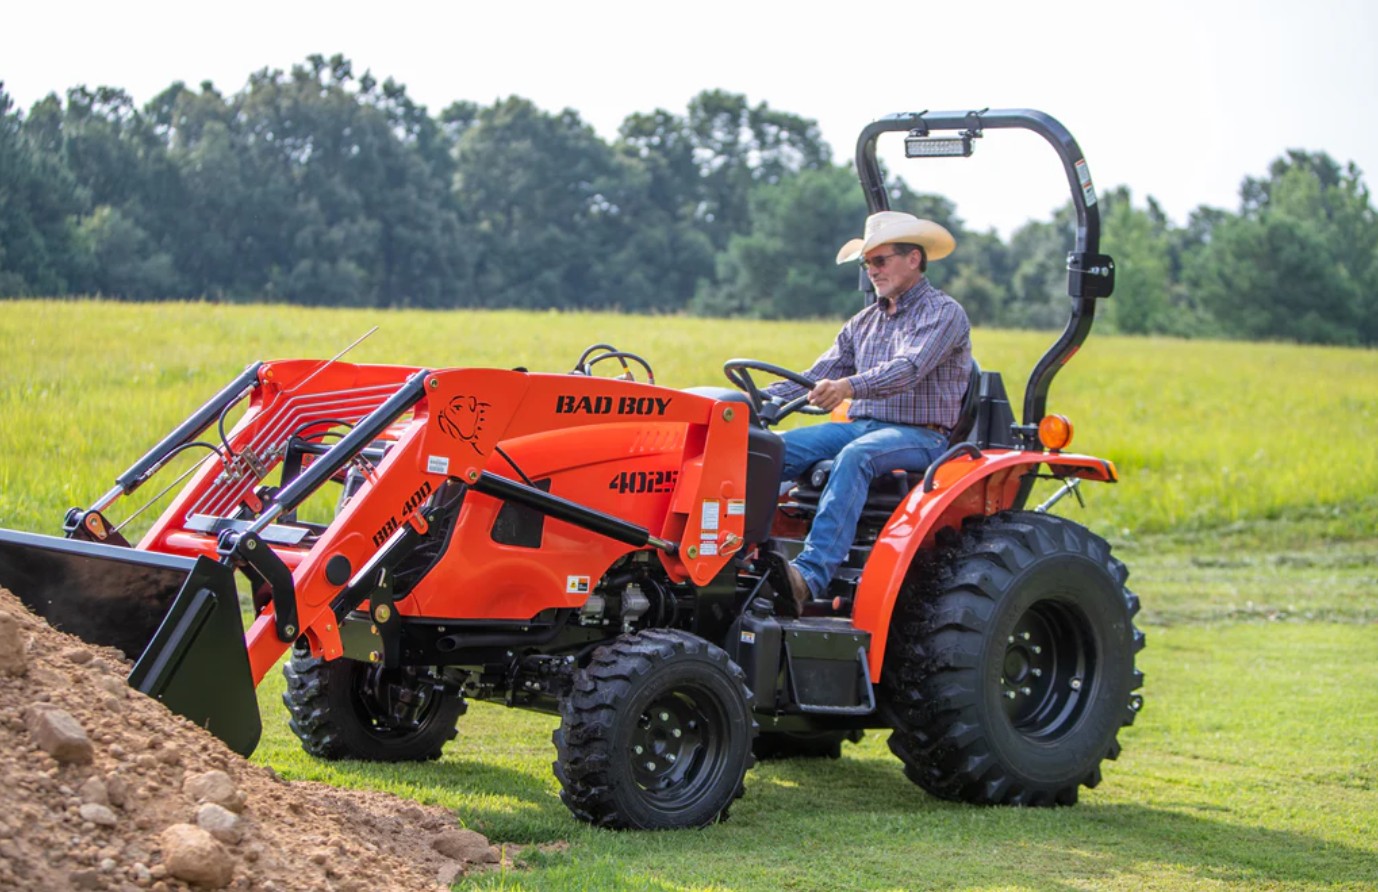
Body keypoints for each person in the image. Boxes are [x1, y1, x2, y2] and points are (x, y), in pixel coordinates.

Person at [766, 211, 972, 609]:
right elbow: (816, 376)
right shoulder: (863, 322)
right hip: (863, 425)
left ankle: (808, 576)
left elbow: (907, 369)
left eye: (880, 260)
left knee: (856, 456)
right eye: (867, 264)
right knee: (771, 449)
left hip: (921, 435)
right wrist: (756, 398)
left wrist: (848, 387)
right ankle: (735, 554)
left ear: (913, 258)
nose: (872, 271)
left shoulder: (943, 313)